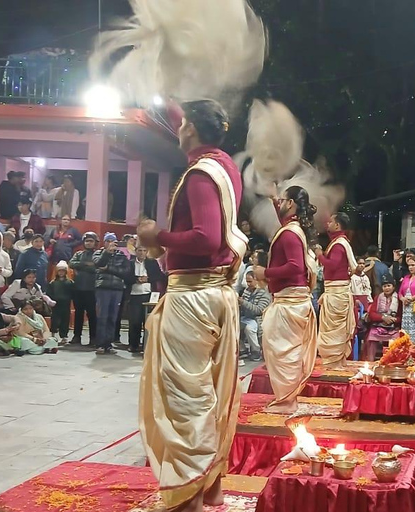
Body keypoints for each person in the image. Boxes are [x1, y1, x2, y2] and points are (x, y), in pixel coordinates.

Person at [136, 100, 246, 511]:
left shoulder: (200, 173)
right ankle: (210, 488)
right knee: (210, 394)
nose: (176, 130)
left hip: (193, 297)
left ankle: (187, 496)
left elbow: (206, 239)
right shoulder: (226, 167)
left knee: (187, 397)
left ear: (191, 129)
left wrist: (157, 235)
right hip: (215, 293)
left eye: (181, 124)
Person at [255, 186, 318, 412]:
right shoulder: (292, 229)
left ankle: (287, 401)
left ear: (290, 203)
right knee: (283, 350)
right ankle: (286, 398)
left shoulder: (290, 233)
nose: (278, 204)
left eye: (282, 201)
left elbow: (295, 267)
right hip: (291, 300)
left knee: (285, 352)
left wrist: (266, 273)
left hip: (290, 302)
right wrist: (274, 199)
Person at [315, 212, 357, 368]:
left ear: (338, 225)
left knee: (333, 331)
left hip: (336, 293)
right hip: (334, 292)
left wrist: (319, 255)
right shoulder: (339, 242)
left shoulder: (339, 244)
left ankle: (334, 363)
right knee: (333, 330)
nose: (328, 224)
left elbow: (332, 265)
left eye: (331, 222)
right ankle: (335, 362)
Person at [93, 232, 132, 355]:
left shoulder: (121, 256)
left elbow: (125, 272)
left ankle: (108, 344)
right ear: (104, 243)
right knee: (102, 316)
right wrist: (107, 253)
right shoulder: (99, 253)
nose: (111, 244)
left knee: (113, 317)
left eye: (113, 242)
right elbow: (99, 264)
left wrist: (109, 269)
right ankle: (100, 344)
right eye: (108, 241)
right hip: (102, 288)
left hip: (117, 289)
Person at [127, 243, 166, 354]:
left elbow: (159, 276)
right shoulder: (130, 263)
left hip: (148, 295)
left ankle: (147, 345)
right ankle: (133, 344)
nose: (142, 253)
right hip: (134, 295)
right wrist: (136, 279)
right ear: (136, 251)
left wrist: (147, 279)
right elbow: (125, 276)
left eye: (144, 250)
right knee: (135, 321)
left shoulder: (152, 263)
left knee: (148, 321)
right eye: (140, 250)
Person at [68, 232, 99, 345]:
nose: (89, 243)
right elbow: (71, 263)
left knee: (92, 314)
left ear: (95, 242)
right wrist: (87, 265)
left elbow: (97, 268)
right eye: (87, 241)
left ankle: (93, 337)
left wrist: (82, 266)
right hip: (78, 288)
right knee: (78, 313)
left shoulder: (98, 254)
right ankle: (77, 336)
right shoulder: (78, 254)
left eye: (91, 241)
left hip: (92, 289)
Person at [364, 274, 402, 360]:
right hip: (378, 326)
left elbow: (400, 316)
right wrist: (383, 318)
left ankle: (391, 362)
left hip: (393, 328)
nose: (387, 288)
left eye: (389, 286)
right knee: (371, 336)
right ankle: (370, 362)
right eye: (384, 286)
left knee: (396, 340)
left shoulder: (398, 299)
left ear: (393, 287)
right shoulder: (378, 297)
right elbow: (372, 314)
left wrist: (393, 319)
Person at [239, 269, 270, 362]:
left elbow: (259, 310)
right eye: (247, 281)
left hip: (258, 319)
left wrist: (243, 302)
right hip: (245, 317)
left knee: (249, 328)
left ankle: (256, 350)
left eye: (250, 281)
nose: (248, 284)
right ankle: (242, 349)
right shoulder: (247, 291)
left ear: (256, 280)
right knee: (231, 325)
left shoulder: (264, 294)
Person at [46, 261, 74, 344]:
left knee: (65, 320)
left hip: (66, 304)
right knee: (55, 319)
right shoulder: (53, 283)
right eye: (59, 271)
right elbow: (49, 293)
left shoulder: (70, 283)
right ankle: (53, 334)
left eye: (63, 271)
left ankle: (64, 336)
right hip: (56, 304)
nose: (61, 272)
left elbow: (72, 293)